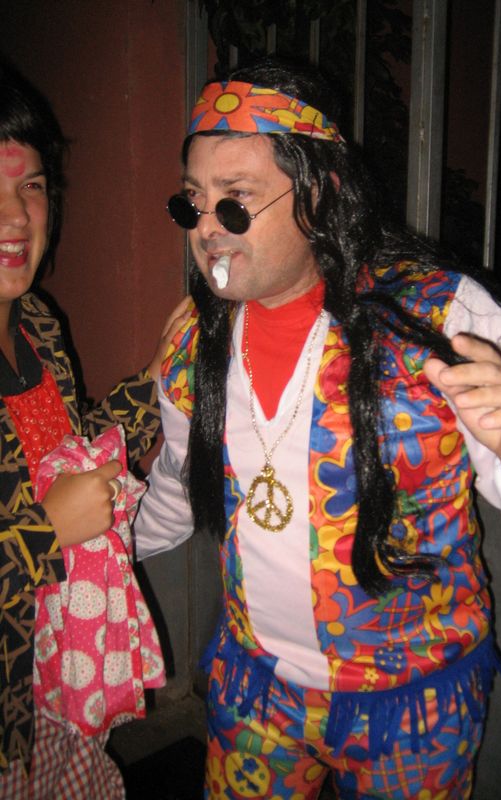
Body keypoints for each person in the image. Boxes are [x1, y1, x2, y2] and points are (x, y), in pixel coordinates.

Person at [134, 57, 501, 799]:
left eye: (236, 202)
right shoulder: (195, 338)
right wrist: (72, 555)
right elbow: (177, 486)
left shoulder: (442, 317)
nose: (207, 230)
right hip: (254, 691)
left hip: (412, 708)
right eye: (192, 202)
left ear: (318, 193)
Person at [0, 60, 188, 797]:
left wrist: (158, 377)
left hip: (61, 683)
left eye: (31, 187)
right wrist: (44, 533)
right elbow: (56, 513)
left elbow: (72, 454)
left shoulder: (38, 324)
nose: (16, 218)